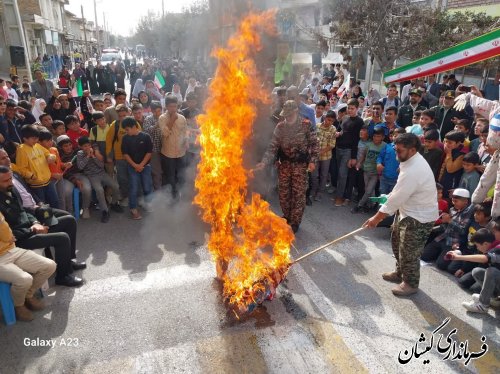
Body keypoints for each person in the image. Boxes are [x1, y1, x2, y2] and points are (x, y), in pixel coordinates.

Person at [364, 133, 438, 296]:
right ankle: (400, 273)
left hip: (419, 217)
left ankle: (410, 283)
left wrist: (376, 218)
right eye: (395, 149)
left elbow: (397, 197)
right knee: (397, 242)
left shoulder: (414, 169)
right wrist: (388, 199)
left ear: (412, 150)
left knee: (409, 252)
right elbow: (398, 192)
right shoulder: (410, 161)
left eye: (399, 151)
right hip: (407, 210)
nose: (396, 154)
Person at [0, 166, 84, 287]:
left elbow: (23, 211)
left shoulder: (10, 189)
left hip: (31, 228)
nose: (10, 182)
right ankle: (62, 277)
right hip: (20, 239)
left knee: (69, 221)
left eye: (10, 178)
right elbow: (8, 233)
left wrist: (35, 223)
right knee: (62, 238)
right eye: (5, 180)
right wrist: (32, 230)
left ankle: (68, 262)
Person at [256, 100, 318, 233]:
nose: (287, 118)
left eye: (290, 115)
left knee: (298, 195)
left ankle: (295, 222)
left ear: (296, 112)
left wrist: (312, 161)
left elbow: (314, 144)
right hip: (284, 165)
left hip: (300, 166)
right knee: (284, 193)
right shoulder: (280, 127)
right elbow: (273, 146)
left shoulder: (306, 125)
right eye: (286, 115)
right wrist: (264, 161)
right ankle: (286, 216)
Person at [0, 210, 56, 321]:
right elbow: (7, 236)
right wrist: (7, 236)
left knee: (49, 266)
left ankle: (28, 295)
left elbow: (8, 233)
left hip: (11, 249)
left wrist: (8, 236)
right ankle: (18, 305)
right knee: (24, 279)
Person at [447, 228, 500, 313]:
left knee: (492, 271)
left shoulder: (497, 247)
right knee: (477, 271)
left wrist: (458, 257)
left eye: (477, 245)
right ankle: (495, 298)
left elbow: (485, 259)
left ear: (485, 244)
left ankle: (483, 306)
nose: (477, 248)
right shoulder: (493, 245)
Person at [77, 137, 123, 222]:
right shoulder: (80, 154)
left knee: (115, 186)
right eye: (84, 146)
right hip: (91, 176)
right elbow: (80, 167)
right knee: (99, 190)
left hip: (102, 173)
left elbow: (101, 165)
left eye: (88, 145)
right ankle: (105, 211)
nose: (87, 148)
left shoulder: (95, 152)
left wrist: (94, 157)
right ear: (80, 147)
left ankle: (114, 203)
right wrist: (87, 156)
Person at [15, 125, 59, 208]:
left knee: (55, 202)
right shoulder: (21, 149)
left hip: (47, 181)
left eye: (37, 138)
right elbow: (21, 168)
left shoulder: (38, 146)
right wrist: (31, 175)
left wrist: (50, 157)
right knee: (43, 206)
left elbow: (47, 153)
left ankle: (58, 220)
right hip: (36, 185)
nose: (36, 140)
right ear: (25, 138)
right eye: (33, 138)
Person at [121, 117, 153, 219]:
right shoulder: (125, 138)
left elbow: (149, 152)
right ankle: (133, 208)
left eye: (127, 129)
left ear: (134, 127)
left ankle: (148, 203)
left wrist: (141, 165)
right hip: (132, 167)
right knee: (133, 188)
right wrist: (135, 166)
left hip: (145, 166)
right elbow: (125, 154)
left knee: (147, 186)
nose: (126, 132)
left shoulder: (146, 137)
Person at [334, 98, 364, 206]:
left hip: (348, 151)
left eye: (352, 108)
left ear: (357, 108)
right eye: (348, 108)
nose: (350, 110)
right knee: (339, 173)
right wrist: (338, 133)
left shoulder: (359, 121)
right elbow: (341, 130)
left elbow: (356, 140)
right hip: (338, 148)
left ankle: (340, 197)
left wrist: (353, 157)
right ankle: (339, 193)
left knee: (343, 174)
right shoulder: (345, 118)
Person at [159, 96, 187, 199]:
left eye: (175, 106)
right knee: (170, 177)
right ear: (166, 106)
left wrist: (186, 141)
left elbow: (185, 132)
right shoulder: (162, 118)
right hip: (168, 153)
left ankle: (183, 195)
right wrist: (172, 119)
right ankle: (173, 197)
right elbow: (165, 133)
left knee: (181, 175)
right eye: (171, 106)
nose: (173, 109)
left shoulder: (182, 118)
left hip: (181, 152)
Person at [352, 127, 385, 213]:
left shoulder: (385, 146)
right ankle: (371, 205)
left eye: (378, 136)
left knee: (368, 190)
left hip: (375, 173)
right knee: (369, 190)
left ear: (382, 137)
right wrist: (359, 163)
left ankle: (359, 205)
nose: (376, 138)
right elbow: (363, 155)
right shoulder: (369, 145)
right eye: (374, 136)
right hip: (366, 170)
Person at [310, 110, 336, 201]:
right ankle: (313, 190)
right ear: (324, 118)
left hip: (326, 157)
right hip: (315, 156)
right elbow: (312, 140)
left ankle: (320, 192)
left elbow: (332, 145)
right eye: (328, 120)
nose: (329, 122)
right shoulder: (317, 126)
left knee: (324, 175)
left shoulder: (333, 129)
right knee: (314, 175)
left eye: (332, 121)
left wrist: (319, 152)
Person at [439, 130, 466, 198]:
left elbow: (450, 169)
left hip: (450, 187)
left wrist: (448, 153)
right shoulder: (445, 149)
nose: (446, 144)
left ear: (458, 143)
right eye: (445, 141)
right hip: (440, 183)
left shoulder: (462, 155)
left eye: (450, 143)